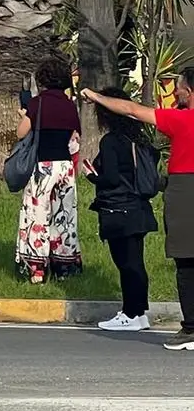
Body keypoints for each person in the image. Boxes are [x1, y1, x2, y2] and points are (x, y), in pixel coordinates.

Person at [81, 77, 194, 345]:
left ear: (189, 91)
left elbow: (132, 110)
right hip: (145, 204)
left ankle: (190, 328)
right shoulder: (145, 140)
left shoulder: (182, 120)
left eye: (179, 86)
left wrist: (95, 96)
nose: (174, 91)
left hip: (183, 188)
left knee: (186, 261)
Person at [82, 89, 157, 331]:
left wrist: (93, 176)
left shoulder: (111, 141)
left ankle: (130, 313)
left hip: (118, 208)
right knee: (136, 262)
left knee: (125, 263)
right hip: (139, 207)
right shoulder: (140, 140)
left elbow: (111, 178)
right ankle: (139, 312)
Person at [16, 56, 83, 283]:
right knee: (64, 216)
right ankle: (64, 265)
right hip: (65, 165)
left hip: (43, 165)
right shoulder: (69, 105)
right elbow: (75, 134)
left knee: (36, 215)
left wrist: (24, 115)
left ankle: (36, 267)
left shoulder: (38, 103)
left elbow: (21, 133)